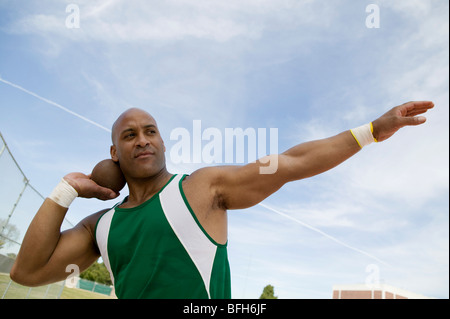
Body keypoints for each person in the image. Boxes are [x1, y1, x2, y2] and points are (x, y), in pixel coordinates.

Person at [10, 101, 434, 298]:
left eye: (151, 131)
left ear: (162, 142)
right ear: (113, 154)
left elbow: (291, 162)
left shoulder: (200, 188)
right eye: (129, 135)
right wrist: (65, 191)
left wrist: (372, 130)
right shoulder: (100, 225)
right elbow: (27, 272)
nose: (143, 140)